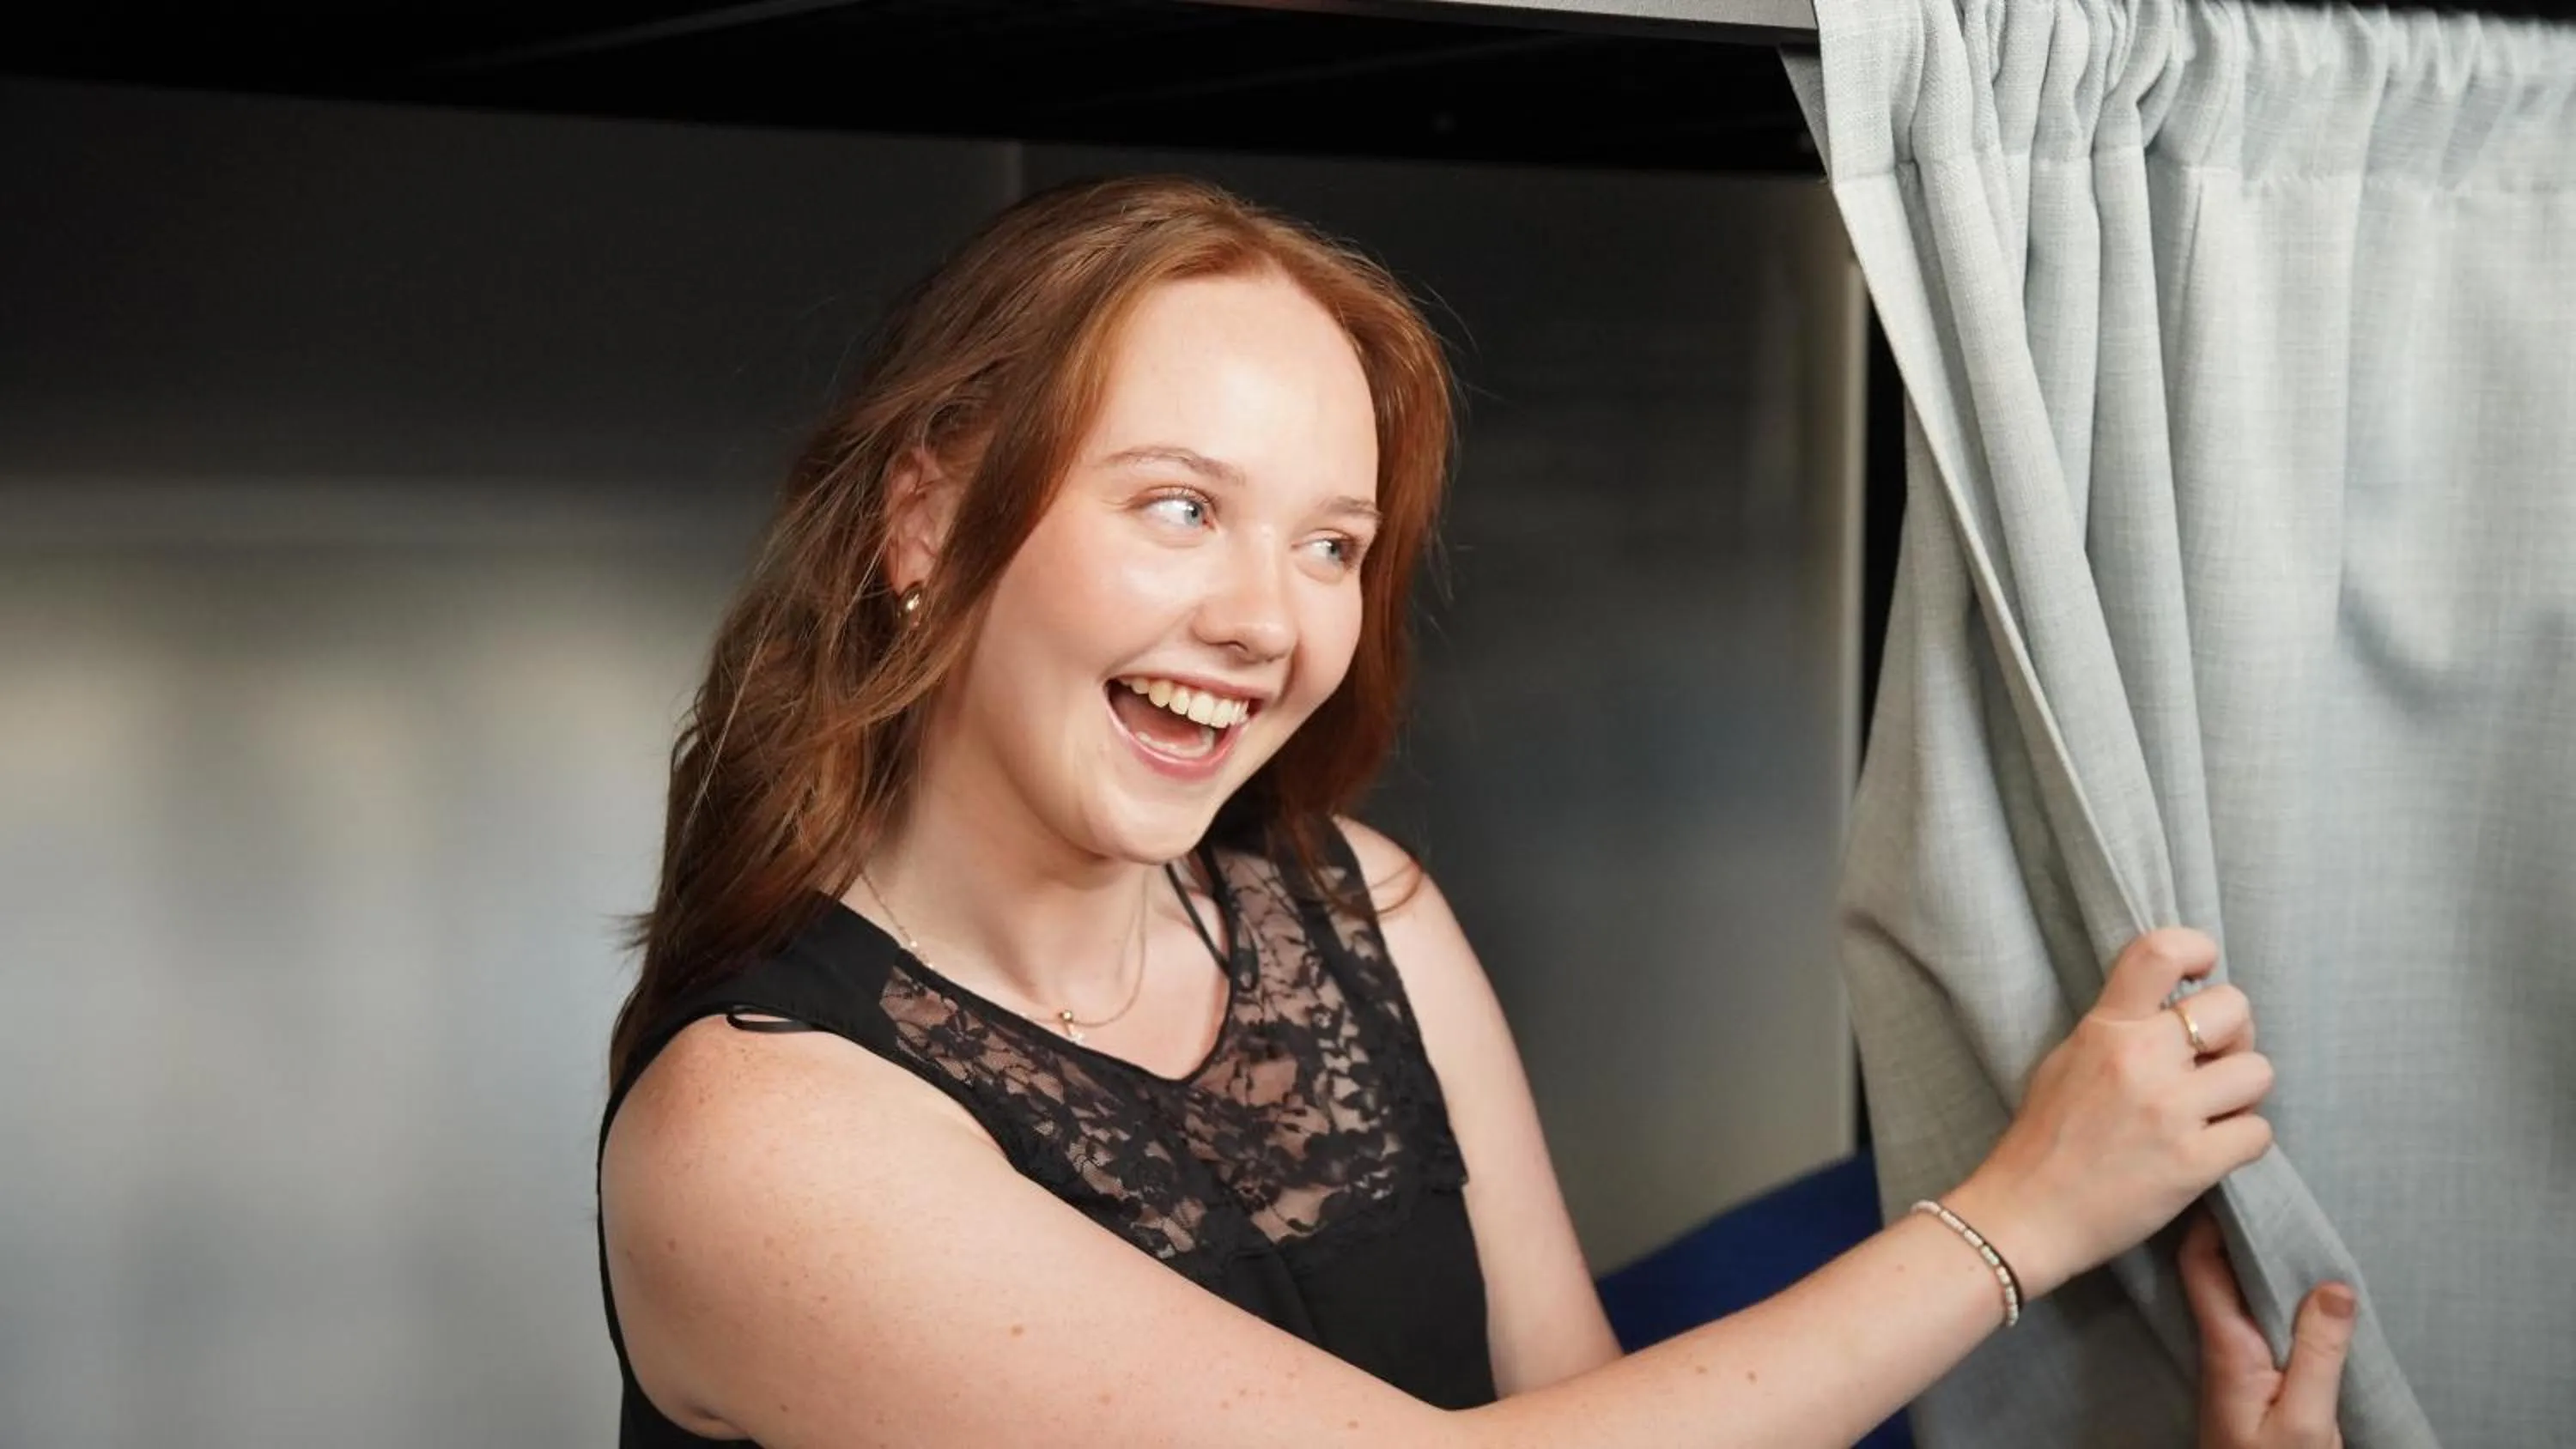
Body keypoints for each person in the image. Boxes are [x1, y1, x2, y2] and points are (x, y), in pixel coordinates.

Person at [596, 174, 2355, 1448]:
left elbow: (1607, 1419)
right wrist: (2023, 1215)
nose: (1270, 621)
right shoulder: (754, 1134)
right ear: (925, 518)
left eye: (1331, 542)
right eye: (1180, 506)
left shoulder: (1350, 903)